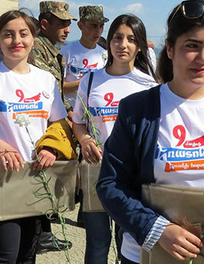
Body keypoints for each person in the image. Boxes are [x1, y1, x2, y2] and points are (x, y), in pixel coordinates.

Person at [96, 0, 204, 264]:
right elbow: (110, 184)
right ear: (171, 49)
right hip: (147, 254)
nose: (203, 58)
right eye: (192, 46)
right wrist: (155, 229)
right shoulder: (137, 109)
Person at [0, 10, 69, 263]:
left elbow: (60, 124)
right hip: (0, 182)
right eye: (8, 34)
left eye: (23, 34)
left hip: (37, 180)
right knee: (6, 257)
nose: (16, 40)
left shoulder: (46, 80)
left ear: (33, 37)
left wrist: (52, 150)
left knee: (28, 256)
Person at [72, 14, 157, 264]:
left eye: (131, 39)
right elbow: (78, 121)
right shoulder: (90, 80)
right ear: (108, 42)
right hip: (96, 172)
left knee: (128, 244)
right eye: (118, 37)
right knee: (97, 243)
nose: (123, 44)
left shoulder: (149, 85)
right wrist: (85, 140)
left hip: (131, 177)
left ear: (140, 45)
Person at [29, 0, 76, 253]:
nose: (67, 29)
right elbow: (42, 91)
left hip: (50, 122)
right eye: (62, 23)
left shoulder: (50, 48)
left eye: (69, 24)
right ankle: (40, 236)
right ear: (44, 24)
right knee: (40, 178)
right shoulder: (37, 48)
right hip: (39, 124)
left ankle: (41, 233)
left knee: (43, 178)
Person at [60, 5, 109, 112]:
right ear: (80, 25)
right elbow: (58, 87)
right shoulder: (66, 53)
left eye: (101, 26)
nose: (98, 31)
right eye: (93, 26)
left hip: (96, 113)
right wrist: (84, 82)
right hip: (71, 112)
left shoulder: (104, 54)